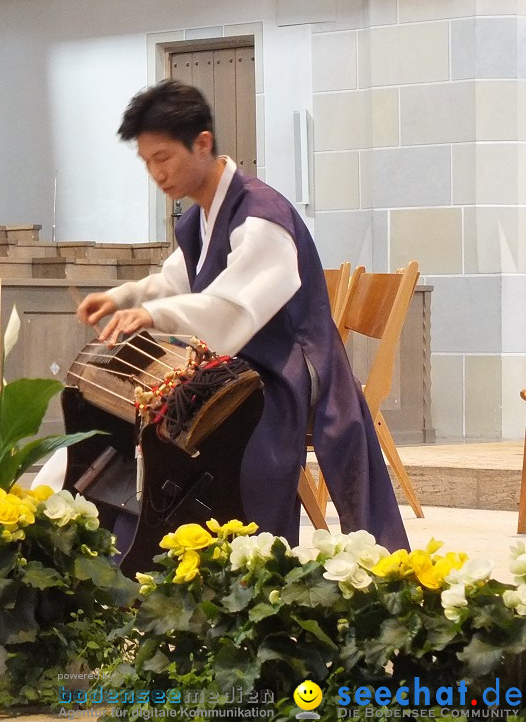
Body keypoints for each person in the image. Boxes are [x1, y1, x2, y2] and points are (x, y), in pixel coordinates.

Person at [72, 79, 409, 551]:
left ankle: (229, 561)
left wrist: (152, 314)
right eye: (147, 163)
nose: (156, 173)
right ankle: (148, 552)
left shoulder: (260, 215)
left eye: (163, 158)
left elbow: (232, 311)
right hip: (240, 366)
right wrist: (126, 298)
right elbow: (177, 282)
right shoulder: (199, 218)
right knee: (147, 425)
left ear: (203, 143)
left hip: (283, 373)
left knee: (208, 442)